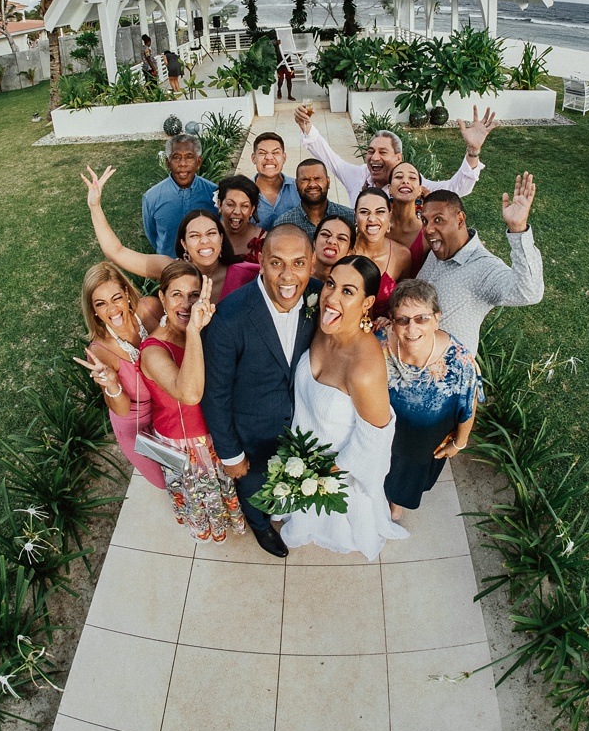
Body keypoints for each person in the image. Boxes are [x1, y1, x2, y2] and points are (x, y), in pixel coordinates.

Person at [280, 255, 409, 560]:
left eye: (348, 292)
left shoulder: (363, 368)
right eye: (330, 284)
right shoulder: (320, 327)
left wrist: (318, 475)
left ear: (367, 303)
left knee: (335, 522)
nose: (332, 297)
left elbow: (373, 440)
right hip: (302, 451)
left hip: (334, 471)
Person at [201, 225, 320, 557]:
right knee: (254, 486)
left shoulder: (318, 296)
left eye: (298, 263)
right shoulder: (230, 318)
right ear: (261, 261)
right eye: (276, 262)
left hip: (301, 422)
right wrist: (231, 453)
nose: (288, 275)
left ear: (312, 262)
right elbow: (216, 393)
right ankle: (259, 523)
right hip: (251, 434)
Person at [139, 263, 245, 541]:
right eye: (176, 294)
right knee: (202, 497)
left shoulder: (207, 328)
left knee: (225, 488)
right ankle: (211, 529)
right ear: (162, 298)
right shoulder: (153, 350)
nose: (186, 304)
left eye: (194, 295)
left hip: (215, 429)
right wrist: (195, 332)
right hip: (184, 444)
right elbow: (189, 393)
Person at [82, 165, 258, 298]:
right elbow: (116, 252)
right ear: (184, 243)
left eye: (211, 233)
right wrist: (94, 206)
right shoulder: (172, 270)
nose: (204, 241)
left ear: (221, 238)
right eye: (194, 235)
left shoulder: (247, 273)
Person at [384, 280, 480, 518]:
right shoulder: (380, 342)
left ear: (437, 318)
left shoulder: (459, 361)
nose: (411, 328)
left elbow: (469, 404)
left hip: (422, 443)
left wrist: (459, 442)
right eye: (402, 319)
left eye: (421, 319)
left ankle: (397, 504)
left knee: (410, 475)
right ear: (392, 320)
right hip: (384, 432)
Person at [417, 173, 544, 353]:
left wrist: (518, 229)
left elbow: (529, 293)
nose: (428, 229)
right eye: (425, 221)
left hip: (447, 374)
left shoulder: (484, 268)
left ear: (460, 219)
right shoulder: (438, 251)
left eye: (438, 220)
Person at [74, 261, 166, 488]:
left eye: (116, 298)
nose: (112, 309)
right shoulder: (100, 351)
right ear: (93, 309)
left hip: (170, 408)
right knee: (167, 480)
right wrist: (111, 383)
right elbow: (122, 409)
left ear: (126, 293)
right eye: (101, 304)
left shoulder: (152, 308)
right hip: (139, 425)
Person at [293, 104, 498, 204]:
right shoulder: (357, 175)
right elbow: (330, 158)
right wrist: (306, 127)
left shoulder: (414, 184)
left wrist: (473, 151)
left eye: (383, 152)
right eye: (371, 151)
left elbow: (455, 189)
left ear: (398, 158)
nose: (374, 157)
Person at [140, 133, 217, 257]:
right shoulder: (152, 198)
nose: (182, 163)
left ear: (198, 162)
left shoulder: (213, 193)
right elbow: (153, 235)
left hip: (206, 266)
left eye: (189, 157)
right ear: (168, 163)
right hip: (170, 267)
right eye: (176, 157)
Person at [353, 187, 412, 319]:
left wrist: (390, 319)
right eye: (364, 212)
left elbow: (404, 303)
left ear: (389, 215)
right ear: (355, 216)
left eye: (380, 212)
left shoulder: (402, 255)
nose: (372, 219)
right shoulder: (344, 251)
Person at [273, 158, 355, 240]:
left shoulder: (350, 217)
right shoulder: (283, 224)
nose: (312, 184)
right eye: (305, 179)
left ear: (328, 182)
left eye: (317, 178)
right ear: (296, 184)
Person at [250, 131, 301, 230]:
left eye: (275, 152)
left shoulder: (299, 188)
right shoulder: (242, 192)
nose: (269, 157)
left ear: (284, 157)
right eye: (262, 153)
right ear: (253, 158)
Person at [388, 161, 430, 275]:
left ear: (420, 190)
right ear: (390, 189)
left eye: (412, 177)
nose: (405, 181)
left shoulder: (427, 234)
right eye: (398, 176)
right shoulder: (377, 225)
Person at [216, 174, 264, 261]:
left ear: (252, 210)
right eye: (230, 204)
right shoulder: (207, 237)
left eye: (244, 206)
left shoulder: (264, 241)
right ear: (219, 205)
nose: (237, 212)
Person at [311, 213, 356, 283]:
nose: (332, 241)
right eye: (325, 234)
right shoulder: (297, 275)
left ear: (350, 252)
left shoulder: (352, 283)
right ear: (314, 242)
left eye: (341, 238)